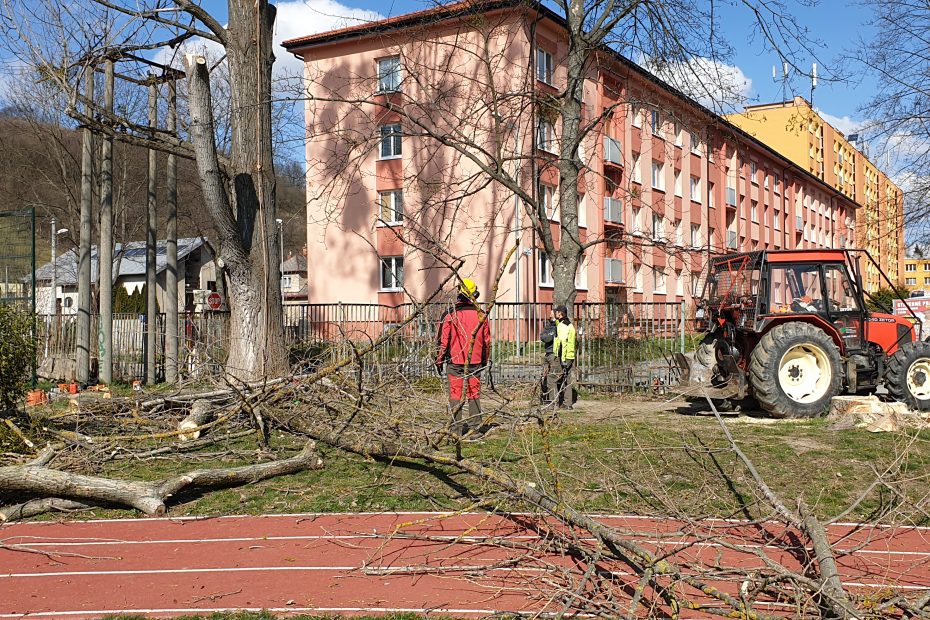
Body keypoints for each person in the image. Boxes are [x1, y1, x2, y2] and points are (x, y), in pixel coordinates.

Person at [435, 278, 492, 437]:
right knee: (474, 394)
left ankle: (455, 431)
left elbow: (442, 342)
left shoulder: (450, 315)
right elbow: (487, 342)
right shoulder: (482, 315)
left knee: (455, 396)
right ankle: (475, 429)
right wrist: (484, 361)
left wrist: (439, 361)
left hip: (455, 362)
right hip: (475, 362)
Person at [552, 305, 577, 409]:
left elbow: (563, 343)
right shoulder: (568, 324)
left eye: (557, 312)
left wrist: (562, 360)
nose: (555, 313)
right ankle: (568, 403)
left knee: (554, 378)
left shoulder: (563, 326)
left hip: (564, 356)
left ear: (561, 313)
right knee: (567, 379)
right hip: (570, 355)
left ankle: (554, 402)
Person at [539, 313, 558, 403]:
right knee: (544, 376)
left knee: (552, 378)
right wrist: (547, 335)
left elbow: (548, 338)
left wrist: (548, 335)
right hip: (547, 353)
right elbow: (542, 336)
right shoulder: (548, 324)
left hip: (553, 354)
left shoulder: (557, 325)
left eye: (551, 313)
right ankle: (546, 398)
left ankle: (554, 401)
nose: (549, 315)